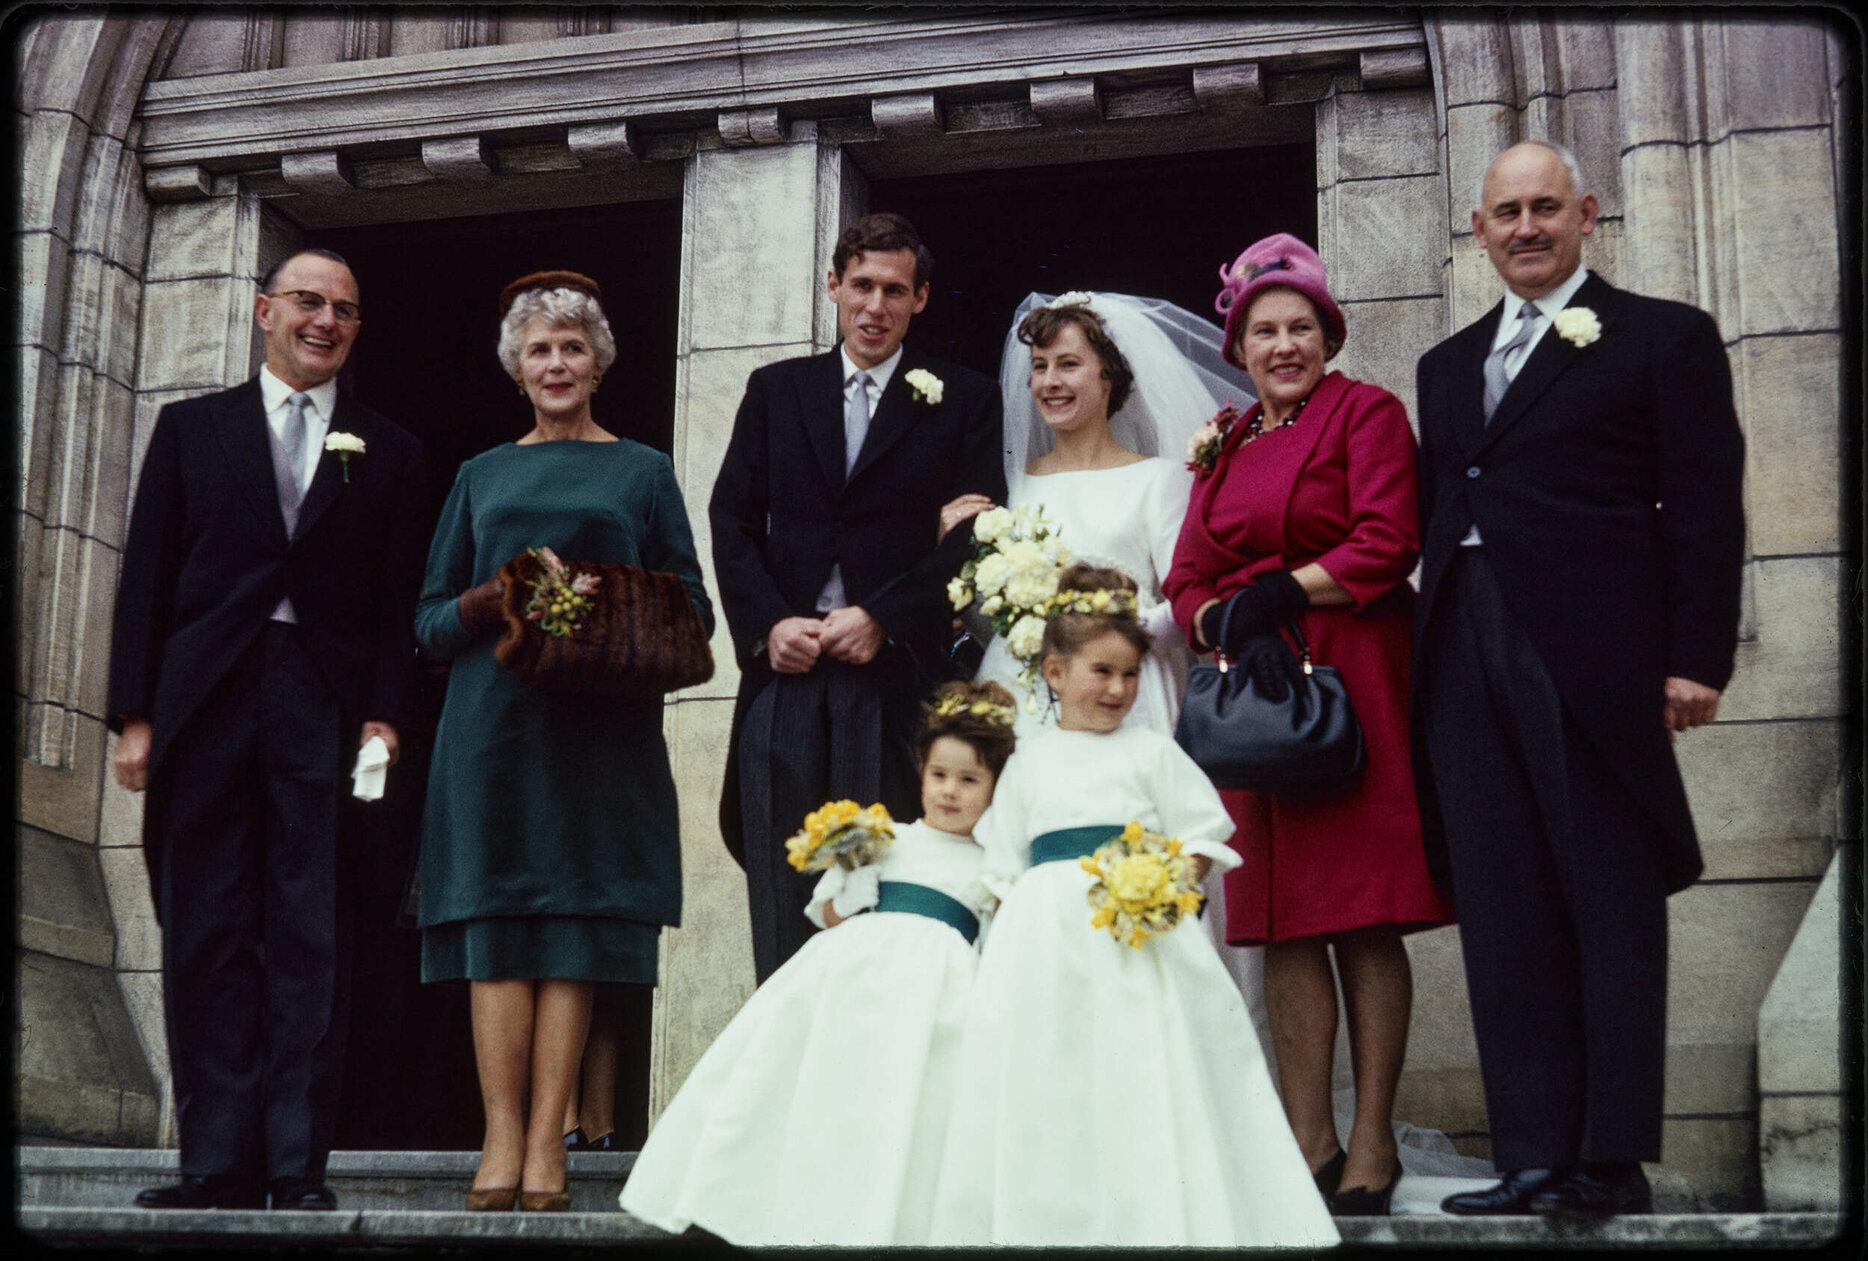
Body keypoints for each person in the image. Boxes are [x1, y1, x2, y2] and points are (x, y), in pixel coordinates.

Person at [1414, 141, 1744, 1219]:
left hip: (1593, 661)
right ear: (1478, 229)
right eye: (1504, 211)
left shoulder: (1662, 337)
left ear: (1586, 214)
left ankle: (1606, 1160)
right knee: (1503, 904)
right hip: (1463, 644)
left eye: (1543, 208)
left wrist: (1694, 655)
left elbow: (1703, 505)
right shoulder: (1444, 366)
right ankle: (1529, 1156)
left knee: (1605, 898)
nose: (1524, 228)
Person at [107, 248, 426, 1211]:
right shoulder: (192, 429)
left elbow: (397, 601)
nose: (324, 320)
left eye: (344, 308)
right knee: (206, 928)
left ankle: (295, 1165)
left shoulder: (393, 449)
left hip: (324, 711)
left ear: (357, 329)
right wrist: (135, 716)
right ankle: (212, 1160)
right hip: (204, 704)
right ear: (262, 311)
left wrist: (385, 719)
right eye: (307, 302)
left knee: (309, 934)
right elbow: (146, 579)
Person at [1162, 233, 1452, 1216]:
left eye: (1298, 328)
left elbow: (1386, 538)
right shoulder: (1224, 438)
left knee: (1359, 910)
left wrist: (1280, 589)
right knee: (1279, 917)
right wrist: (1216, 617)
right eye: (1262, 330)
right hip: (1252, 689)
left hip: (1348, 671)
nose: (1281, 345)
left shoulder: (1364, 413)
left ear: (1324, 335)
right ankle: (1306, 1135)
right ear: (1236, 344)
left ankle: (1370, 1138)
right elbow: (1186, 572)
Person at [413, 270, 713, 1212]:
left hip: (600, 733)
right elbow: (426, 622)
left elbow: (694, 611)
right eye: (539, 349)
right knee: (499, 932)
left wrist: (601, 596)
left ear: (599, 362)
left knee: (576, 933)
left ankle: (551, 1146)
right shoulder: (480, 475)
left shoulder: (643, 471)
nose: (556, 363)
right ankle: (500, 1137)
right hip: (491, 731)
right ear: (516, 366)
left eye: (572, 348)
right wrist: (498, 595)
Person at [928, 567, 1339, 1247]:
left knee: (1145, 1067)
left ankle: (1161, 1206)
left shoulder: (1153, 751)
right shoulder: (1029, 760)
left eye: (1128, 674)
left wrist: (1166, 879)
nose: (1118, 689)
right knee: (1057, 1072)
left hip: (1140, 941)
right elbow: (1004, 863)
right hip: (1049, 945)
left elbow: (1204, 832)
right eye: (1102, 671)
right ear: (1055, 673)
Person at [710, 212, 1005, 983]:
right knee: (784, 892)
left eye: (895, 291)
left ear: (921, 298)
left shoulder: (964, 399)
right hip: (786, 680)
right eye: (863, 286)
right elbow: (731, 518)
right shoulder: (775, 391)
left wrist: (885, 616)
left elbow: (973, 534)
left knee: (882, 897)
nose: (876, 306)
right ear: (834, 285)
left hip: (894, 683)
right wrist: (769, 623)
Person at [620, 680, 1015, 1245]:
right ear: (921, 774)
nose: (950, 791)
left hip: (936, 1004)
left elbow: (992, 946)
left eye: (970, 779)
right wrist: (850, 894)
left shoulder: (991, 867)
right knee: (830, 1090)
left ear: (996, 789)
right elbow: (827, 914)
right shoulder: (886, 839)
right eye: (939, 775)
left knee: (910, 1106)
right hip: (851, 985)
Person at [941, 291, 1251, 736]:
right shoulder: (1014, 485)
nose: (1049, 382)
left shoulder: (1158, 481)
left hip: (1126, 694)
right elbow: (986, 616)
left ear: (1109, 377)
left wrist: (1100, 631)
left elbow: (1185, 603)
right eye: (1040, 366)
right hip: (1022, 693)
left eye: (1068, 364)